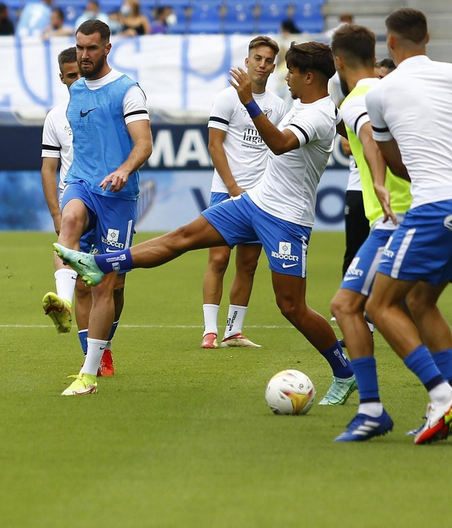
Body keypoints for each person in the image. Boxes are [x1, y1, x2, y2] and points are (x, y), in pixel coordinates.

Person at [54, 40, 357, 402]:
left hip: (286, 220)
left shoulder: (317, 115)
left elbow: (279, 143)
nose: (285, 77)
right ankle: (99, 263)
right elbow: (349, 127)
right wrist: (363, 144)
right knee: (183, 236)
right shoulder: (316, 105)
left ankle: (345, 372)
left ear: (309, 77)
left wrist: (249, 101)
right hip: (254, 202)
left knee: (292, 306)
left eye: (290, 72)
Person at [340, 8, 452, 444]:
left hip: (432, 207)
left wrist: (396, 176)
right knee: (421, 302)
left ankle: (442, 396)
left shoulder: (381, 92)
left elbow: (390, 159)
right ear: (428, 36)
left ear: (391, 43)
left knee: (379, 306)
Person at [47, 21, 154, 394]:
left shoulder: (127, 90)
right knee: (70, 220)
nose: (84, 55)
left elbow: (144, 144)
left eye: (91, 48)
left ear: (107, 48)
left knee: (108, 283)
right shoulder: (76, 90)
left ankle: (92, 371)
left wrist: (124, 170)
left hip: (117, 196)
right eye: (79, 47)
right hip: (82, 182)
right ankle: (61, 303)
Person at [325, 24, 414, 422]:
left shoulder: (356, 99)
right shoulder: (395, 90)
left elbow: (368, 135)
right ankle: (446, 396)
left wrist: (378, 180)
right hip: (422, 207)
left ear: (338, 62)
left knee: (351, 306)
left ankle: (376, 406)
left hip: (393, 214)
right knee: (417, 308)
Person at [199, 37, 290, 349]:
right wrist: (232, 186)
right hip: (226, 192)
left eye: (268, 60)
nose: (262, 65)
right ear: (247, 61)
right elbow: (214, 145)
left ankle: (233, 331)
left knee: (248, 265)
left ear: (274, 67)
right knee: (218, 259)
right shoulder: (227, 98)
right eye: (257, 58)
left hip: (260, 197)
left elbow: (277, 151)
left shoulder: (278, 106)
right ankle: (209, 331)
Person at [40, 47, 84, 331]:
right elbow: (49, 168)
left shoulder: (111, 108)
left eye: (80, 74)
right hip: (73, 194)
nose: (76, 80)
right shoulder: (55, 117)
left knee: (112, 285)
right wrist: (56, 213)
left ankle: (101, 348)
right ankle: (64, 303)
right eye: (70, 76)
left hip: (107, 197)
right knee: (67, 238)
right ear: (62, 78)